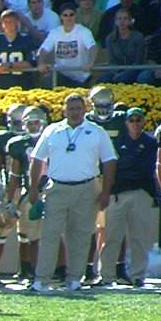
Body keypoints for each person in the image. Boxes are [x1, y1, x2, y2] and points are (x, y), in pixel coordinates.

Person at [26, 93, 116, 294]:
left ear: (85, 110)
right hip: (56, 188)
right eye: (71, 109)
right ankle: (42, 280)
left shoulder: (96, 131)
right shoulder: (52, 130)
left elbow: (109, 161)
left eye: (78, 108)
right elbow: (37, 160)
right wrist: (34, 188)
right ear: (64, 110)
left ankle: (75, 278)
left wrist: (105, 192)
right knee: (49, 234)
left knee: (81, 235)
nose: (75, 112)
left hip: (86, 188)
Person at [95, 107, 156, 288]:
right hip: (118, 194)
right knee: (112, 237)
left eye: (138, 120)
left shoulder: (150, 142)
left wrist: (126, 165)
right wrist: (128, 165)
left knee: (139, 237)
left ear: (144, 121)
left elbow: (145, 168)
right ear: (126, 123)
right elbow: (112, 165)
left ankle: (138, 276)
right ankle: (106, 275)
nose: (135, 123)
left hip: (141, 192)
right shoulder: (117, 141)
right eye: (132, 120)